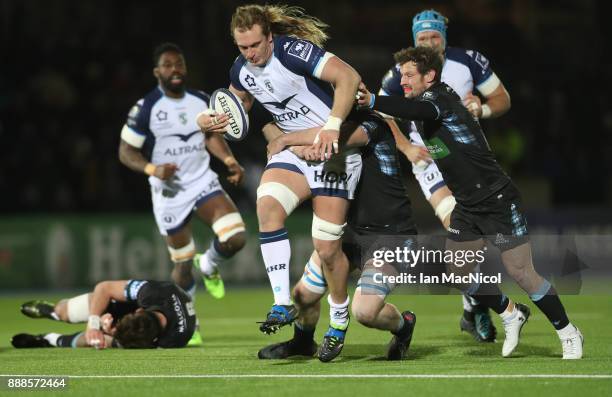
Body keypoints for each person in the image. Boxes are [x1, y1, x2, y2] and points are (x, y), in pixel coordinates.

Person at [358, 45, 583, 359]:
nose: (403, 80)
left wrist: (373, 100)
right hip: (467, 205)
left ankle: (568, 332)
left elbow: (419, 111)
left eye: (409, 75)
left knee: (521, 272)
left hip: (497, 199)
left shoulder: (438, 100)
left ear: (430, 76)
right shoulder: (422, 101)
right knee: (458, 270)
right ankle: (510, 313)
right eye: (402, 75)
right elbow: (408, 113)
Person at [197, 4, 362, 360]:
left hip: (334, 150)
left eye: (256, 45)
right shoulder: (242, 69)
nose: (250, 54)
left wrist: (332, 125)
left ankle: (338, 320)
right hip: (295, 148)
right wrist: (209, 119)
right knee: (267, 205)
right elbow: (233, 111)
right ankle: (281, 302)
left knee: (329, 249)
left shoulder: (293, 51)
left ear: (269, 36)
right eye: (243, 48)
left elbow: (347, 77)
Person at [379, 9, 511, 342]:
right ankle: (479, 305)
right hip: (430, 161)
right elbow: (381, 107)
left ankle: (471, 306)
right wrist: (405, 147)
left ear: (444, 37)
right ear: (414, 39)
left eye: (434, 37)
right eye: (422, 38)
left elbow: (502, 99)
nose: (429, 43)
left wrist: (484, 108)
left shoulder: (469, 61)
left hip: (468, 161)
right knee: (458, 226)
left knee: (473, 234)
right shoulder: (402, 70)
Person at [258, 110, 418, 361]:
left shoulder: (370, 125)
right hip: (351, 234)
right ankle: (302, 342)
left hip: (390, 237)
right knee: (302, 296)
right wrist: (278, 133)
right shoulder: (330, 124)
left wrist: (284, 140)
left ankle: (403, 326)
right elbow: (276, 126)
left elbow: (324, 137)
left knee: (364, 312)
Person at [118, 43, 247, 345]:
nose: (174, 69)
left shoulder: (201, 100)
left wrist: (229, 161)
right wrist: (152, 169)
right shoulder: (147, 107)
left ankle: (211, 263)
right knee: (183, 264)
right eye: (167, 65)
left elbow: (211, 136)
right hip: (169, 192)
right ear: (156, 72)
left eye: (179, 64)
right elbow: (125, 151)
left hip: (201, 181)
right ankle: (190, 324)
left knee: (236, 237)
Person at [11, 280, 196, 349]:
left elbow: (127, 342)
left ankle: (48, 340)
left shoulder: (174, 340)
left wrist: (105, 332)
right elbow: (104, 287)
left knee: (100, 342)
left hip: (141, 332)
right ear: (140, 310)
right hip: (123, 303)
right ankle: (53, 312)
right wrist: (93, 323)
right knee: (65, 313)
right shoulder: (154, 292)